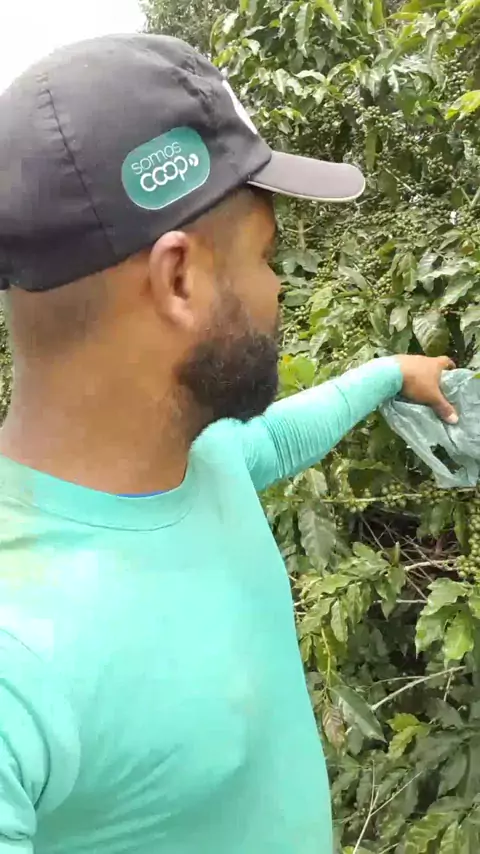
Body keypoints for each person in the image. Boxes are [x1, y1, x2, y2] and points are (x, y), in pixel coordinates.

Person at [0, 33, 457, 854]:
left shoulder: (194, 455)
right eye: (267, 255)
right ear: (179, 279)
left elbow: (271, 439)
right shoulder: (18, 652)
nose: (279, 287)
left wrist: (392, 372)